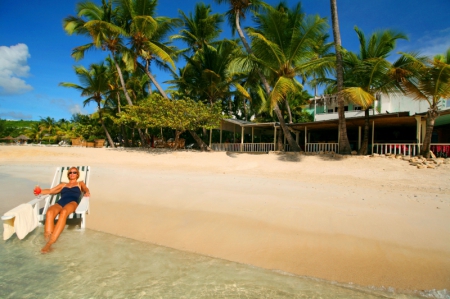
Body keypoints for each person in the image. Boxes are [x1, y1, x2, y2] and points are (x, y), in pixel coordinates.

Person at [35, 167, 90, 253]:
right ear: (68, 175)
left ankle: (49, 244)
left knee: (64, 212)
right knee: (49, 212)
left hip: (72, 203)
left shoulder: (79, 183)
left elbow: (85, 188)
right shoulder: (63, 185)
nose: (72, 174)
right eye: (70, 172)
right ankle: (46, 240)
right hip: (60, 203)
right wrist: (39, 191)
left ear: (77, 174)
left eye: (74, 172)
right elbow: (50, 191)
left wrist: (87, 192)